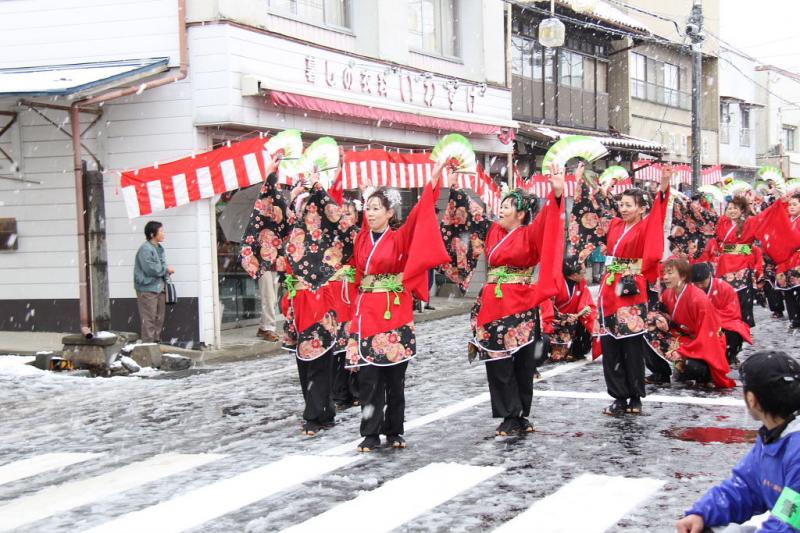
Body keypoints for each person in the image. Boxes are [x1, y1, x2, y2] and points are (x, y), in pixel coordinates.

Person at [440, 164, 565, 436]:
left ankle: (521, 413)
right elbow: (471, 216)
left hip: (520, 301)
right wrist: (453, 188)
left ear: (521, 214)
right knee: (498, 361)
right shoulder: (492, 230)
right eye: (502, 204)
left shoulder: (529, 233)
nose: (502, 209)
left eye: (508, 206)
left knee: (522, 362)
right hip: (494, 302)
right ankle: (509, 413)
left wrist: (557, 194)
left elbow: (549, 222)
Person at [241, 155, 356, 437]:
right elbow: (270, 217)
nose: (303, 210)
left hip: (320, 299)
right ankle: (323, 410)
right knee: (306, 361)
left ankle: (314, 415)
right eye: (300, 206)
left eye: (308, 206)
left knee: (317, 357)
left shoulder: (324, 233)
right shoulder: (292, 228)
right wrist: (272, 178)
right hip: (298, 301)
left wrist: (318, 187)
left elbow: (344, 225)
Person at [345, 162, 449, 452]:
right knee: (369, 378)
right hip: (367, 311)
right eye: (368, 208)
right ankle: (369, 432)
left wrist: (433, 182)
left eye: (377, 208)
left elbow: (420, 215)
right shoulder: (362, 238)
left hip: (393, 311)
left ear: (390, 213)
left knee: (394, 379)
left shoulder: (399, 237)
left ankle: (394, 430)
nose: (371, 212)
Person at [676, 350, 800, 533]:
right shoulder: (775, 434)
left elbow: (789, 522)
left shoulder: (796, 448)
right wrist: (701, 514)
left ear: (752, 400)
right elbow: (746, 488)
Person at [587, 165, 672, 416]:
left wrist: (664, 185)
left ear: (642, 208)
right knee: (611, 343)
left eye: (629, 205)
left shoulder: (647, 225)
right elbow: (598, 213)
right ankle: (618, 397)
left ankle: (635, 396)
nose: (623, 209)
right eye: (622, 204)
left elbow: (660, 210)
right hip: (610, 288)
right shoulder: (614, 225)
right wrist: (594, 187)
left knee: (632, 344)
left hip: (632, 288)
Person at [643, 258, 735, 389]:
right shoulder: (668, 293)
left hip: (705, 343)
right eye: (664, 273)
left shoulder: (698, 299)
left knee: (690, 366)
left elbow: (709, 335)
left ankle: (703, 373)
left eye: (670, 273)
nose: (665, 277)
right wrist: (661, 318)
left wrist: (682, 352)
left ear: (683, 275)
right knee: (645, 328)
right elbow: (660, 311)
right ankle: (660, 373)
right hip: (684, 337)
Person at [691, 262, 752, 367]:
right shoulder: (690, 290)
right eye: (696, 284)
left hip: (723, 323)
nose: (700, 286)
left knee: (735, 332)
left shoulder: (724, 287)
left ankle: (729, 356)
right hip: (698, 324)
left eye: (702, 282)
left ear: (709, 276)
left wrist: (710, 317)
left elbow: (732, 312)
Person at [540, 259, 598, 362]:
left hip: (573, 317)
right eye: (583, 272)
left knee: (587, 320)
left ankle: (577, 351)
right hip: (556, 318)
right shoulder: (555, 282)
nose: (584, 275)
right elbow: (546, 306)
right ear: (574, 275)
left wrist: (582, 312)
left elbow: (586, 302)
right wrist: (561, 318)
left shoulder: (581, 283)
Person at [134, 220, 174, 343]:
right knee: (149, 318)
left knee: (159, 318)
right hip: (147, 288)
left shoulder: (159, 248)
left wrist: (165, 271)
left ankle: (155, 342)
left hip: (159, 287)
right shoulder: (146, 249)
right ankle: (148, 346)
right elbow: (150, 269)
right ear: (152, 234)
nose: (163, 233)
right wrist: (165, 269)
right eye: (161, 231)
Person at [257, 272, 279, 341]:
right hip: (262, 264)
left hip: (274, 263)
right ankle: (268, 327)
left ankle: (263, 327)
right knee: (269, 296)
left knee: (274, 298)